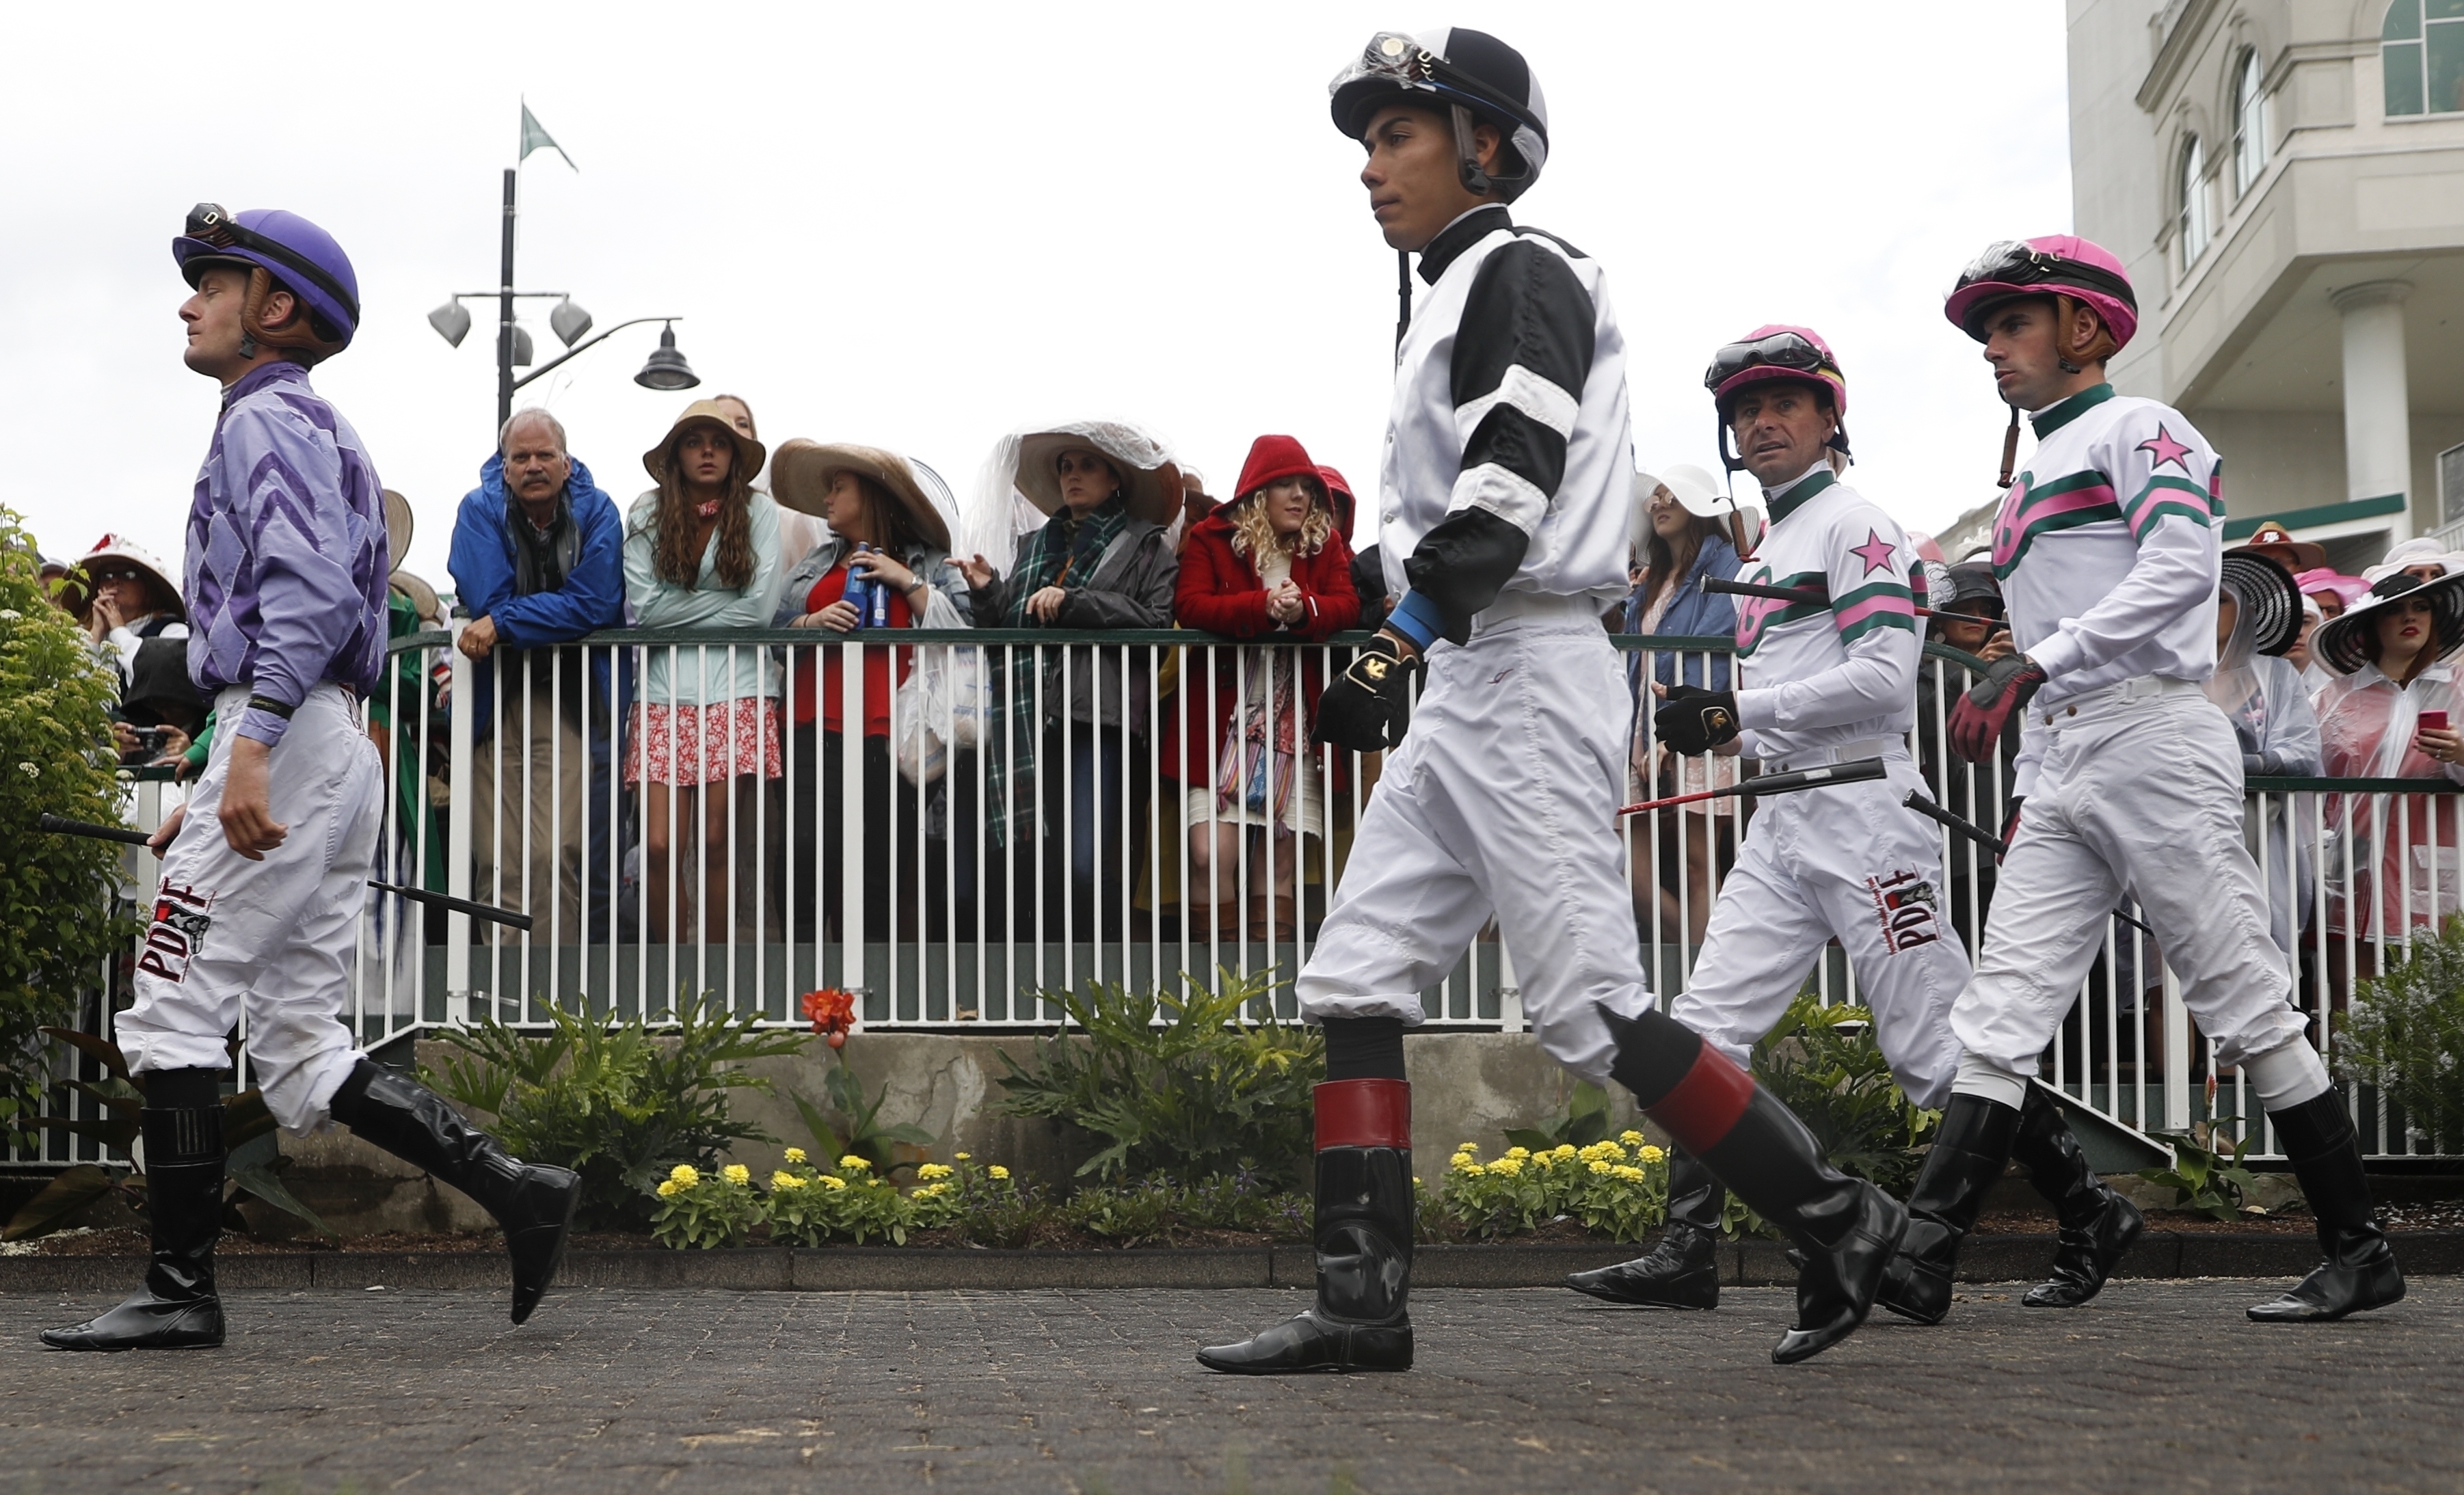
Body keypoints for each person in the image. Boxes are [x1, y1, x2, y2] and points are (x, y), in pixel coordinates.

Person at [1198, 29, 1903, 1376]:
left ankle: (1838, 1217)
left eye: (1395, 136)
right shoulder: (1448, 294)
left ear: (1484, 146)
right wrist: (1369, 606)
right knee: (1353, 974)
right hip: (1474, 670)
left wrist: (1396, 635)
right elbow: (1439, 514)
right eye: (1365, 142)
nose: (1368, 167)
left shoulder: (1524, 269)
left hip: (1521, 665)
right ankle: (1359, 1307)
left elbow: (1511, 474)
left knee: (1587, 1011)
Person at [44, 206, 579, 1354]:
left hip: (287, 732)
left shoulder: (261, 420)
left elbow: (307, 595)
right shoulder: (314, 424)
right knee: (296, 1040)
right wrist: (220, 768)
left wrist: (248, 751)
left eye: (213, 284)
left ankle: (180, 1290)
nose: (189, 302)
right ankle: (521, 1188)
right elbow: (315, 605)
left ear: (274, 308)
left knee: (171, 1008)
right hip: (322, 740)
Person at [1574, 329, 2126, 1323]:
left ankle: (2090, 1206)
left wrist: (1735, 714)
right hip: (1782, 821)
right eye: (1746, 410)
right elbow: (1782, 695)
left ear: (1831, 418)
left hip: (1867, 817)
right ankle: (1687, 1250)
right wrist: (1723, 726)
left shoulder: (1856, 524)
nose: (1762, 423)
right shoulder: (1771, 543)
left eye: (1784, 403)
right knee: (1704, 1031)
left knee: (1935, 1055)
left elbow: (1881, 678)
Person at [1904, 234, 2400, 1325]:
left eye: (2013, 322)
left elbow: (2181, 567)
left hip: (2154, 734)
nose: (1993, 346)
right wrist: (2033, 770)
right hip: (2068, 751)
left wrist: (2037, 662)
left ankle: (2360, 1247)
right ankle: (1922, 1252)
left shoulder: (2144, 426)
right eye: (1988, 329)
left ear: (2083, 327)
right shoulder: (2030, 475)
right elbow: (2054, 641)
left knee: (2238, 992)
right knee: (2000, 1009)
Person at [958, 421, 1181, 939]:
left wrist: (1075, 603)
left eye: (1087, 465)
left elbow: (1156, 622)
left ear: (1116, 478)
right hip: (1027, 716)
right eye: (1065, 467)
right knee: (1032, 858)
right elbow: (1009, 624)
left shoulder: (1146, 547)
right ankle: (1047, 975)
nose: (1072, 476)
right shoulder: (1034, 545)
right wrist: (989, 592)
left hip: (1095, 715)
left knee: (1086, 861)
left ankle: (1095, 970)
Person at [769, 439, 969, 941]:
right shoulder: (816, 561)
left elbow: (966, 631)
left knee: (881, 866)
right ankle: (803, 980)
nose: (827, 499)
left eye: (839, 487)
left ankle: (867, 987)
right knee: (804, 854)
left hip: (896, 736)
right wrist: (810, 621)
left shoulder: (929, 564)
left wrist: (908, 581)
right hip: (811, 726)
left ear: (874, 496)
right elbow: (771, 631)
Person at [1167, 435, 1361, 944]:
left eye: (1307, 487)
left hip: (1296, 722)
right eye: (1285, 485)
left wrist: (1304, 609)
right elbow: (1190, 604)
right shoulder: (1212, 537)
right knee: (1210, 854)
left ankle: (1267, 985)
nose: (1300, 496)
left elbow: (1347, 605)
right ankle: (1213, 985)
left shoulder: (1325, 544)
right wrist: (1261, 606)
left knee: (1279, 862)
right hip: (1221, 718)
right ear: (1258, 492)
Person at [447, 409, 626, 945]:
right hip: (492, 700)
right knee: (499, 857)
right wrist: (520, 615)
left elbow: (596, 603)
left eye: (544, 454)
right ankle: (503, 987)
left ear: (566, 463)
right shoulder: (478, 509)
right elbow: (487, 596)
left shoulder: (598, 511)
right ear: (503, 467)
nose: (533, 466)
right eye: (520, 456)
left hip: (569, 700)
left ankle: (554, 987)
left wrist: (505, 623)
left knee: (559, 851)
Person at [623, 400, 789, 943]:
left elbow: (759, 612)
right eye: (694, 442)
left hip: (737, 687)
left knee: (717, 841)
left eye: (719, 442)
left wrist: (682, 607)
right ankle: (671, 973)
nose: (708, 452)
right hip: (662, 691)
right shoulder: (645, 512)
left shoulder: (759, 512)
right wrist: (723, 603)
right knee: (659, 845)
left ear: (735, 454)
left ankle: (716, 975)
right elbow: (648, 611)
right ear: (676, 454)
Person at [1622, 464, 1743, 945]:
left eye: (1672, 495)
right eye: (1654, 497)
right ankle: (1692, 960)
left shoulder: (1725, 562)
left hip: (1698, 720)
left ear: (1698, 506)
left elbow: (1712, 650)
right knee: (1626, 863)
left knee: (1698, 864)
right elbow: (1631, 662)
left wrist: (1677, 733)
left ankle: (1698, 976)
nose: (1659, 504)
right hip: (1639, 727)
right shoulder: (1650, 579)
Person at [2311, 570, 2464, 943]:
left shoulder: (2459, 687)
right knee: (2351, 968)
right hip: (2350, 860)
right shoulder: (2331, 699)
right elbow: (2309, 781)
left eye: (2421, 607)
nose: (2410, 617)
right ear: (2371, 625)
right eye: (2394, 610)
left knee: (2432, 967)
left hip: (2434, 857)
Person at [2207, 549, 2320, 956]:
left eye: (2220, 599)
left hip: (2262, 833)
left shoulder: (2276, 675)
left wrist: (2243, 765)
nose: (2206, 609)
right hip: (2184, 829)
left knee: (2262, 950)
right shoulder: (2169, 676)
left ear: (2244, 610)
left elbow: (2304, 753)